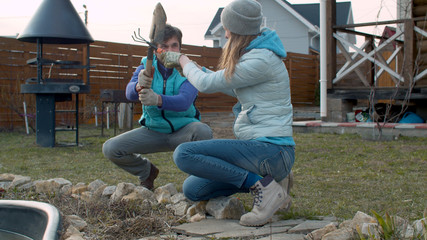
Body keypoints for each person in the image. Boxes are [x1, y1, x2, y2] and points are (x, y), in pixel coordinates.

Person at [159, 0, 295, 227]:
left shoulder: (261, 60)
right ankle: (273, 182)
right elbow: (232, 85)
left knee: (183, 153)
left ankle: (265, 189)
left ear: (238, 30)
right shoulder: (257, 55)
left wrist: (183, 60)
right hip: (262, 152)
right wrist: (198, 69)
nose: (225, 34)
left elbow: (204, 84)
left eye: (227, 29)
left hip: (272, 150)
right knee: (193, 188)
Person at [102, 24, 213, 191]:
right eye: (164, 46)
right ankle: (147, 172)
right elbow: (129, 94)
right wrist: (138, 85)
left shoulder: (188, 69)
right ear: (155, 49)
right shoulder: (146, 66)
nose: (169, 50)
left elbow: (184, 101)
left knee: (203, 131)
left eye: (174, 45)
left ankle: (196, 182)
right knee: (111, 148)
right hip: (153, 131)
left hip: (184, 130)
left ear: (180, 48)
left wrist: (158, 99)